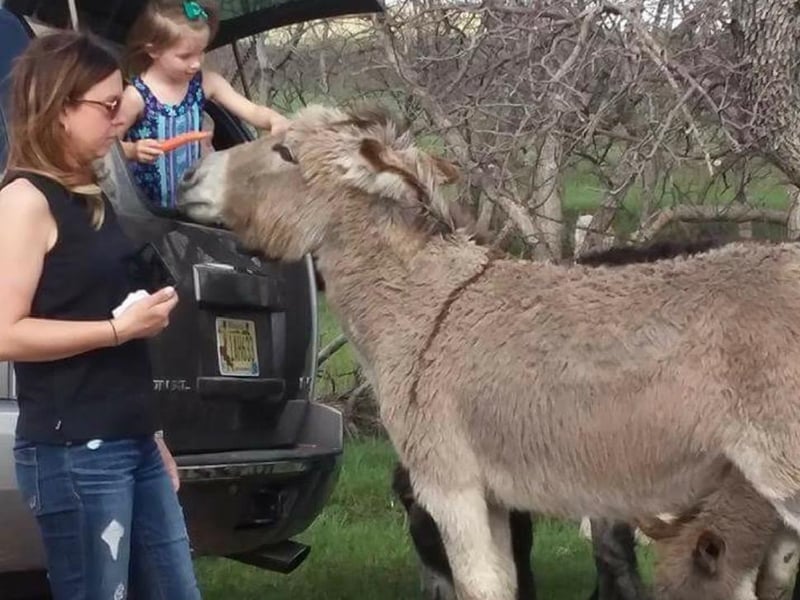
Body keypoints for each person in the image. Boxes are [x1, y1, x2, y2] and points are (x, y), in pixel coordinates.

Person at [0, 30, 201, 600]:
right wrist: (117, 331)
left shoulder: (92, 197)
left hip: (132, 438)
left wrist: (152, 433)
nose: (120, 121)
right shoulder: (24, 201)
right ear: (61, 108)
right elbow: (5, 332)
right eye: (108, 106)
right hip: (74, 450)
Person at [119, 0, 291, 210]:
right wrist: (133, 150)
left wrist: (274, 119)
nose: (196, 63)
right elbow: (108, 146)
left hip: (190, 200)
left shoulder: (206, 83)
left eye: (201, 52)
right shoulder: (136, 96)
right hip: (148, 210)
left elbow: (252, 110)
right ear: (153, 50)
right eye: (185, 56)